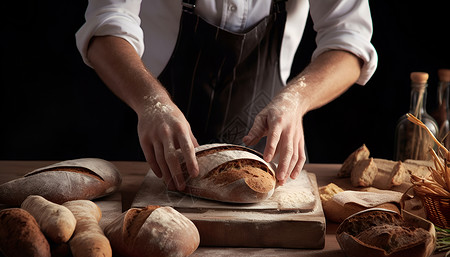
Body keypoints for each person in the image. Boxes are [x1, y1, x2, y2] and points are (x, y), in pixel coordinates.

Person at [76, 0, 377, 191]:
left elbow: (349, 41)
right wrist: (151, 102)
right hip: (158, 147)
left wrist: (297, 100)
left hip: (270, 147)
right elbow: (106, 24)